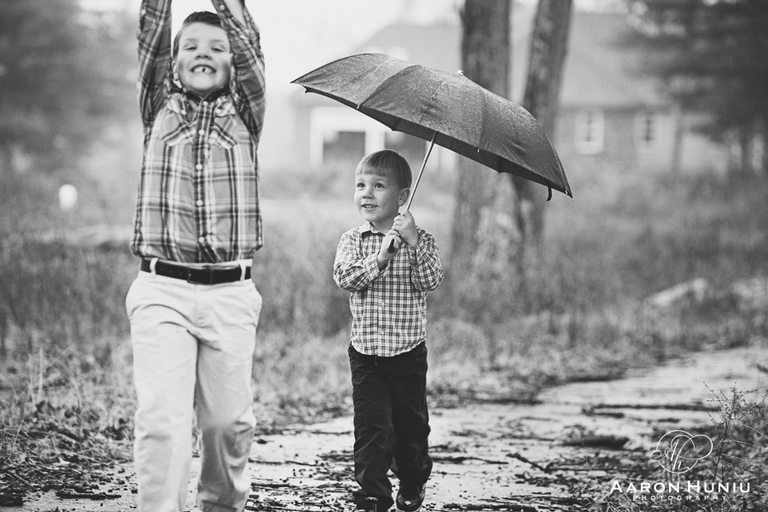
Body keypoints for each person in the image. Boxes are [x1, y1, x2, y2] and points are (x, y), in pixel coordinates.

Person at [125, 0, 265, 511]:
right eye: (190, 47)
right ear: (175, 62)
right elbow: (153, 31)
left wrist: (233, 22)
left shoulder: (247, 113)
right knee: (162, 422)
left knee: (227, 425)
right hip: (162, 289)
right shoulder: (157, 106)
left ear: (232, 62)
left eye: (216, 47)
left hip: (230, 292)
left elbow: (249, 42)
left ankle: (219, 506)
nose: (202, 53)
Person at [333, 150, 444, 512]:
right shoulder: (353, 240)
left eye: (378, 186)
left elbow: (431, 280)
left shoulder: (421, 240)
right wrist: (379, 258)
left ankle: (412, 478)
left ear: (401, 197)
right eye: (361, 185)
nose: (366, 193)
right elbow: (345, 278)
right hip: (366, 353)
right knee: (372, 428)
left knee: (411, 429)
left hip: (407, 353)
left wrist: (412, 245)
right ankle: (373, 494)